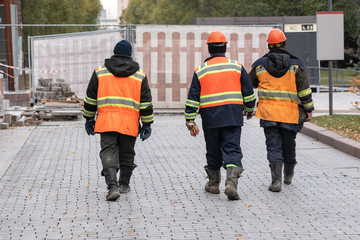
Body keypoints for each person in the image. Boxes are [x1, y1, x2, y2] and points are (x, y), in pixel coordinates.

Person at [185, 31, 256, 200]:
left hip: (210, 118)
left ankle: (214, 184)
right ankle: (231, 183)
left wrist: (190, 118)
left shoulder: (201, 70)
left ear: (209, 48)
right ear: (225, 47)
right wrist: (249, 109)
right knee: (232, 148)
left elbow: (193, 96)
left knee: (213, 150)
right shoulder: (236, 66)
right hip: (232, 116)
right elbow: (249, 92)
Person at [83, 40, 154, 201]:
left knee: (108, 151)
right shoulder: (139, 75)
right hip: (129, 123)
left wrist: (88, 119)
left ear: (114, 53)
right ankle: (124, 184)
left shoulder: (100, 72)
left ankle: (112, 186)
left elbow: (90, 99)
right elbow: (145, 103)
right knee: (127, 153)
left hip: (106, 121)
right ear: (130, 55)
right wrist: (147, 123)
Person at [249, 29, 314, 192]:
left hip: (268, 114)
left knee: (273, 146)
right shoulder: (296, 65)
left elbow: (251, 84)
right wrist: (309, 110)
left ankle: (276, 181)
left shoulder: (259, 65)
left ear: (269, 45)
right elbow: (304, 90)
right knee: (289, 145)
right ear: (284, 44)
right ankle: (288, 176)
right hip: (290, 114)